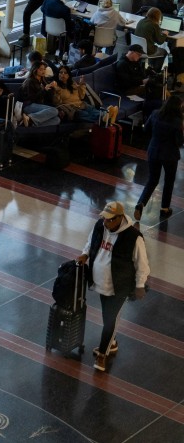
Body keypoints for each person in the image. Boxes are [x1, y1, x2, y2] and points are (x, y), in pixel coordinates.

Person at [76, 202, 150, 372]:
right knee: (107, 316)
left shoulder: (133, 237)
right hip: (101, 282)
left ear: (119, 218)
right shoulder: (100, 226)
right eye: (104, 218)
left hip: (120, 287)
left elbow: (142, 264)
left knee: (110, 320)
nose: (105, 222)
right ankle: (112, 342)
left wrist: (139, 285)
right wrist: (85, 254)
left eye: (109, 220)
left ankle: (102, 355)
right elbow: (91, 241)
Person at [133, 96, 183, 221]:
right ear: (177, 107)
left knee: (152, 180)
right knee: (168, 182)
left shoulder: (155, 114)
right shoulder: (177, 122)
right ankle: (164, 209)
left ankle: (141, 203)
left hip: (153, 151)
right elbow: (179, 142)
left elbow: (145, 129)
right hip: (170, 155)